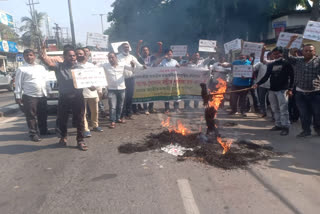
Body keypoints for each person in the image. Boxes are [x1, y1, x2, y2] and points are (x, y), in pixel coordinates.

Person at [41, 47, 88, 151]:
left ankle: (80, 140)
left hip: (78, 97)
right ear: (64, 57)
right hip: (64, 97)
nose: (72, 57)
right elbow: (49, 63)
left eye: (74, 55)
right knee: (62, 119)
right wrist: (43, 53)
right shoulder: (59, 66)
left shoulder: (80, 68)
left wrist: (92, 85)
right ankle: (63, 137)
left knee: (80, 119)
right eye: (70, 55)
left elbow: (87, 82)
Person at [283, 35, 320, 137]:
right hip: (300, 93)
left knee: (317, 114)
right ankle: (306, 131)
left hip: (315, 93)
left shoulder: (319, 60)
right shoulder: (297, 60)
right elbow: (286, 55)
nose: (308, 52)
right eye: (306, 50)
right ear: (302, 52)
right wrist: (290, 41)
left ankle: (318, 129)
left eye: (310, 50)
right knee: (304, 114)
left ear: (314, 52)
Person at [253, 47, 294, 136]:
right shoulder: (271, 65)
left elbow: (292, 76)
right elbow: (266, 76)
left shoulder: (286, 63)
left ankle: (285, 127)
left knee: (284, 109)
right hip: (272, 90)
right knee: (275, 109)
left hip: (283, 90)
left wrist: (290, 89)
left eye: (277, 54)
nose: (275, 55)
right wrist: (258, 84)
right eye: (274, 54)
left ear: (281, 54)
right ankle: (278, 124)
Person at [14, 49, 53, 142]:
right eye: (27, 55)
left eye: (31, 55)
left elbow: (46, 80)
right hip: (29, 96)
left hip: (42, 94)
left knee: (43, 114)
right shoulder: (21, 69)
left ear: (34, 56)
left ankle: (44, 130)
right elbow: (18, 84)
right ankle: (33, 134)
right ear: (24, 57)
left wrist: (49, 91)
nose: (29, 57)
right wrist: (18, 97)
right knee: (31, 116)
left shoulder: (41, 67)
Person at [75, 48, 103, 138]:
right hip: (81, 92)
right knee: (83, 112)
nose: (80, 55)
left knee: (95, 110)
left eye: (81, 53)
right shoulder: (74, 67)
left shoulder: (91, 66)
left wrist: (99, 89)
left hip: (93, 91)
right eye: (78, 54)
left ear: (85, 55)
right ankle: (86, 129)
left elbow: (97, 77)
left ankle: (95, 125)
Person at [102, 52, 135, 128]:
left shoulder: (122, 64)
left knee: (120, 106)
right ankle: (112, 121)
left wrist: (133, 65)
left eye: (112, 57)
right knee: (112, 106)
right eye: (109, 58)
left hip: (122, 88)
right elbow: (96, 68)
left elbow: (131, 68)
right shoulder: (105, 66)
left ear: (116, 58)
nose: (111, 59)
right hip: (111, 89)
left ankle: (118, 118)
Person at [134, 40, 163, 114]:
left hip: (151, 79)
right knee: (145, 94)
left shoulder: (152, 57)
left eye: (146, 50)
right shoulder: (140, 59)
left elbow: (159, 53)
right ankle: (145, 109)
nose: (145, 51)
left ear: (148, 51)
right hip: (143, 80)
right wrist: (139, 44)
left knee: (152, 94)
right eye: (143, 50)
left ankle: (151, 108)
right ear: (142, 52)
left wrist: (160, 46)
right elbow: (136, 52)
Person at [117, 43, 143, 119]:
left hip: (131, 79)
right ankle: (122, 114)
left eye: (128, 47)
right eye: (125, 47)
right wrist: (131, 66)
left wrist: (143, 67)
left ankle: (129, 113)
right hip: (122, 80)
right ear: (121, 48)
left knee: (130, 97)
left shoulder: (132, 57)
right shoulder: (118, 57)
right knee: (123, 97)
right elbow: (124, 66)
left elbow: (138, 65)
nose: (126, 48)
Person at [155, 49, 180, 113]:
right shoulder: (163, 61)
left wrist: (178, 66)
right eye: (168, 54)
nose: (169, 55)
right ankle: (167, 108)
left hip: (174, 80)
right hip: (166, 81)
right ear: (166, 55)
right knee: (166, 95)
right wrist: (163, 57)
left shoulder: (175, 61)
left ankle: (176, 108)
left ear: (172, 54)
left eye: (170, 54)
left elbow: (179, 68)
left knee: (176, 94)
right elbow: (156, 64)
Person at [254, 51, 272, 117]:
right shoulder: (260, 63)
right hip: (261, 85)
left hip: (271, 85)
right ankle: (263, 112)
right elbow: (252, 68)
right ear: (267, 56)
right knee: (262, 100)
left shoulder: (275, 63)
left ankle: (274, 116)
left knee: (272, 101)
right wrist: (253, 59)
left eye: (272, 56)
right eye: (270, 55)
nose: (271, 57)